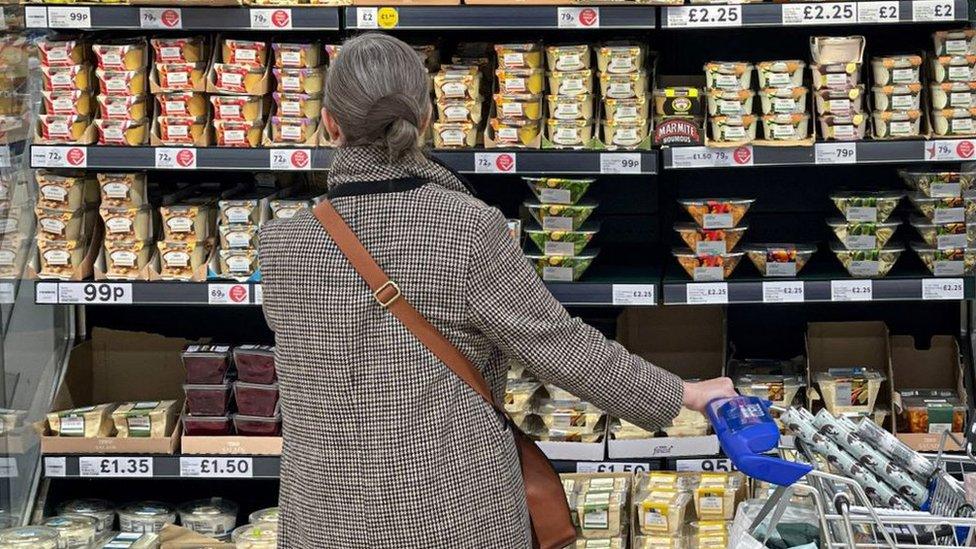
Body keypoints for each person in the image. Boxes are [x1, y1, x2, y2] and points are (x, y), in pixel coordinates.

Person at [258, 33, 736, 548]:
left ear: (329, 123)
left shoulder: (280, 242)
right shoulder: (466, 228)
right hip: (452, 511)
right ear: (425, 119)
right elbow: (558, 347)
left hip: (322, 518)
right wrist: (684, 393)